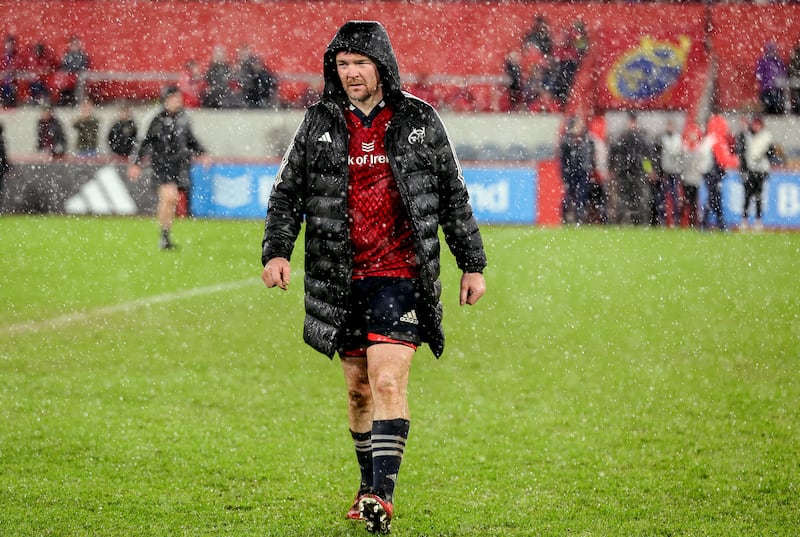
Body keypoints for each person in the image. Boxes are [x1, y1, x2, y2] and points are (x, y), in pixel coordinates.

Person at [259, 21, 487, 534]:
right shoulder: (320, 120)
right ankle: (366, 486)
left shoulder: (417, 118)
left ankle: (382, 496)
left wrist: (472, 263)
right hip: (340, 278)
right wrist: (276, 252)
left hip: (400, 275)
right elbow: (287, 193)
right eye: (342, 65)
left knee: (387, 379)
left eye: (360, 64)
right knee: (358, 391)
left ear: (381, 65)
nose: (351, 74)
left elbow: (453, 193)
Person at [128, 85, 209, 249]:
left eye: (179, 98)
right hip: (161, 165)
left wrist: (202, 153)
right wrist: (136, 163)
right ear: (166, 100)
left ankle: (165, 235)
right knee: (170, 196)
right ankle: (163, 236)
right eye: (174, 98)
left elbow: (190, 139)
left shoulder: (183, 117)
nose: (177, 101)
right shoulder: (154, 118)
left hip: (179, 165)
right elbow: (143, 141)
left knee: (172, 201)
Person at [608, 112, 653, 225]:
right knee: (623, 199)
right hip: (624, 173)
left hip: (637, 173)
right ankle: (622, 221)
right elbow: (613, 154)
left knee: (638, 199)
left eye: (633, 122)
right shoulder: (622, 137)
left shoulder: (640, 138)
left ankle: (637, 221)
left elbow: (646, 157)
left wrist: (648, 170)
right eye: (631, 122)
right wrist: (612, 168)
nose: (632, 125)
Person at [700, 114, 739, 231]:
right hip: (714, 173)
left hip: (707, 173)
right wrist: (736, 160)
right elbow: (723, 160)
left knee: (713, 198)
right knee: (715, 198)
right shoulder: (718, 140)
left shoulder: (708, 139)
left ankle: (710, 223)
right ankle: (716, 223)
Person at [559, 115, 593, 225]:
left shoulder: (587, 139)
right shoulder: (567, 140)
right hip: (570, 171)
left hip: (582, 171)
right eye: (579, 124)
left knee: (581, 195)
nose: (581, 126)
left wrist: (589, 168)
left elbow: (590, 156)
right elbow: (563, 158)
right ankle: (565, 216)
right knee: (568, 195)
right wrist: (565, 172)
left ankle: (579, 217)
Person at [741, 115, 773, 231]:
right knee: (748, 195)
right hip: (751, 170)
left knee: (758, 196)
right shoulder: (748, 136)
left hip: (760, 170)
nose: (756, 127)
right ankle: (744, 221)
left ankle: (758, 221)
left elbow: (768, 153)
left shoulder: (765, 137)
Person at [653, 119, 687, 227]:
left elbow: (682, 156)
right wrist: (657, 171)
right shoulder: (661, 139)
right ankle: (662, 218)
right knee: (662, 196)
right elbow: (655, 156)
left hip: (675, 172)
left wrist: (681, 170)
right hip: (665, 172)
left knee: (675, 196)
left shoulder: (678, 139)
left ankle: (675, 218)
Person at [754, 41, 787, 115]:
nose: (773, 52)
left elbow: (783, 71)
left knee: (777, 101)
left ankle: (776, 111)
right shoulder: (764, 60)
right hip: (767, 86)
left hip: (777, 86)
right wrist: (762, 80)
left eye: (774, 50)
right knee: (768, 101)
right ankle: (769, 111)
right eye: (772, 50)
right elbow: (759, 72)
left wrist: (782, 81)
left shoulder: (778, 61)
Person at [57, 35, 90, 106]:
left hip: (77, 76)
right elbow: (64, 65)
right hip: (68, 76)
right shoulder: (67, 54)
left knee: (80, 81)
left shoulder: (82, 55)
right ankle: (63, 101)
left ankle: (77, 102)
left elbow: (81, 65)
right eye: (73, 44)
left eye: (76, 44)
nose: (74, 46)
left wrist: (72, 71)